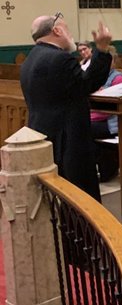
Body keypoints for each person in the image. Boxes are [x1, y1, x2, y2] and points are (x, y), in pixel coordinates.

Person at [20, 13, 113, 201]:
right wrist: (102, 50)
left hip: (44, 135)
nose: (71, 35)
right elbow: (88, 83)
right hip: (69, 140)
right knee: (80, 197)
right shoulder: (60, 59)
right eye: (67, 29)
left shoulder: (30, 60)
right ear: (56, 30)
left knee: (59, 197)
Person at [90, 46, 122, 182]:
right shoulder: (96, 78)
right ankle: (102, 168)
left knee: (84, 129)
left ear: (113, 62)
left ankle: (107, 167)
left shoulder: (118, 79)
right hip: (97, 120)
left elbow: (114, 106)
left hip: (112, 122)